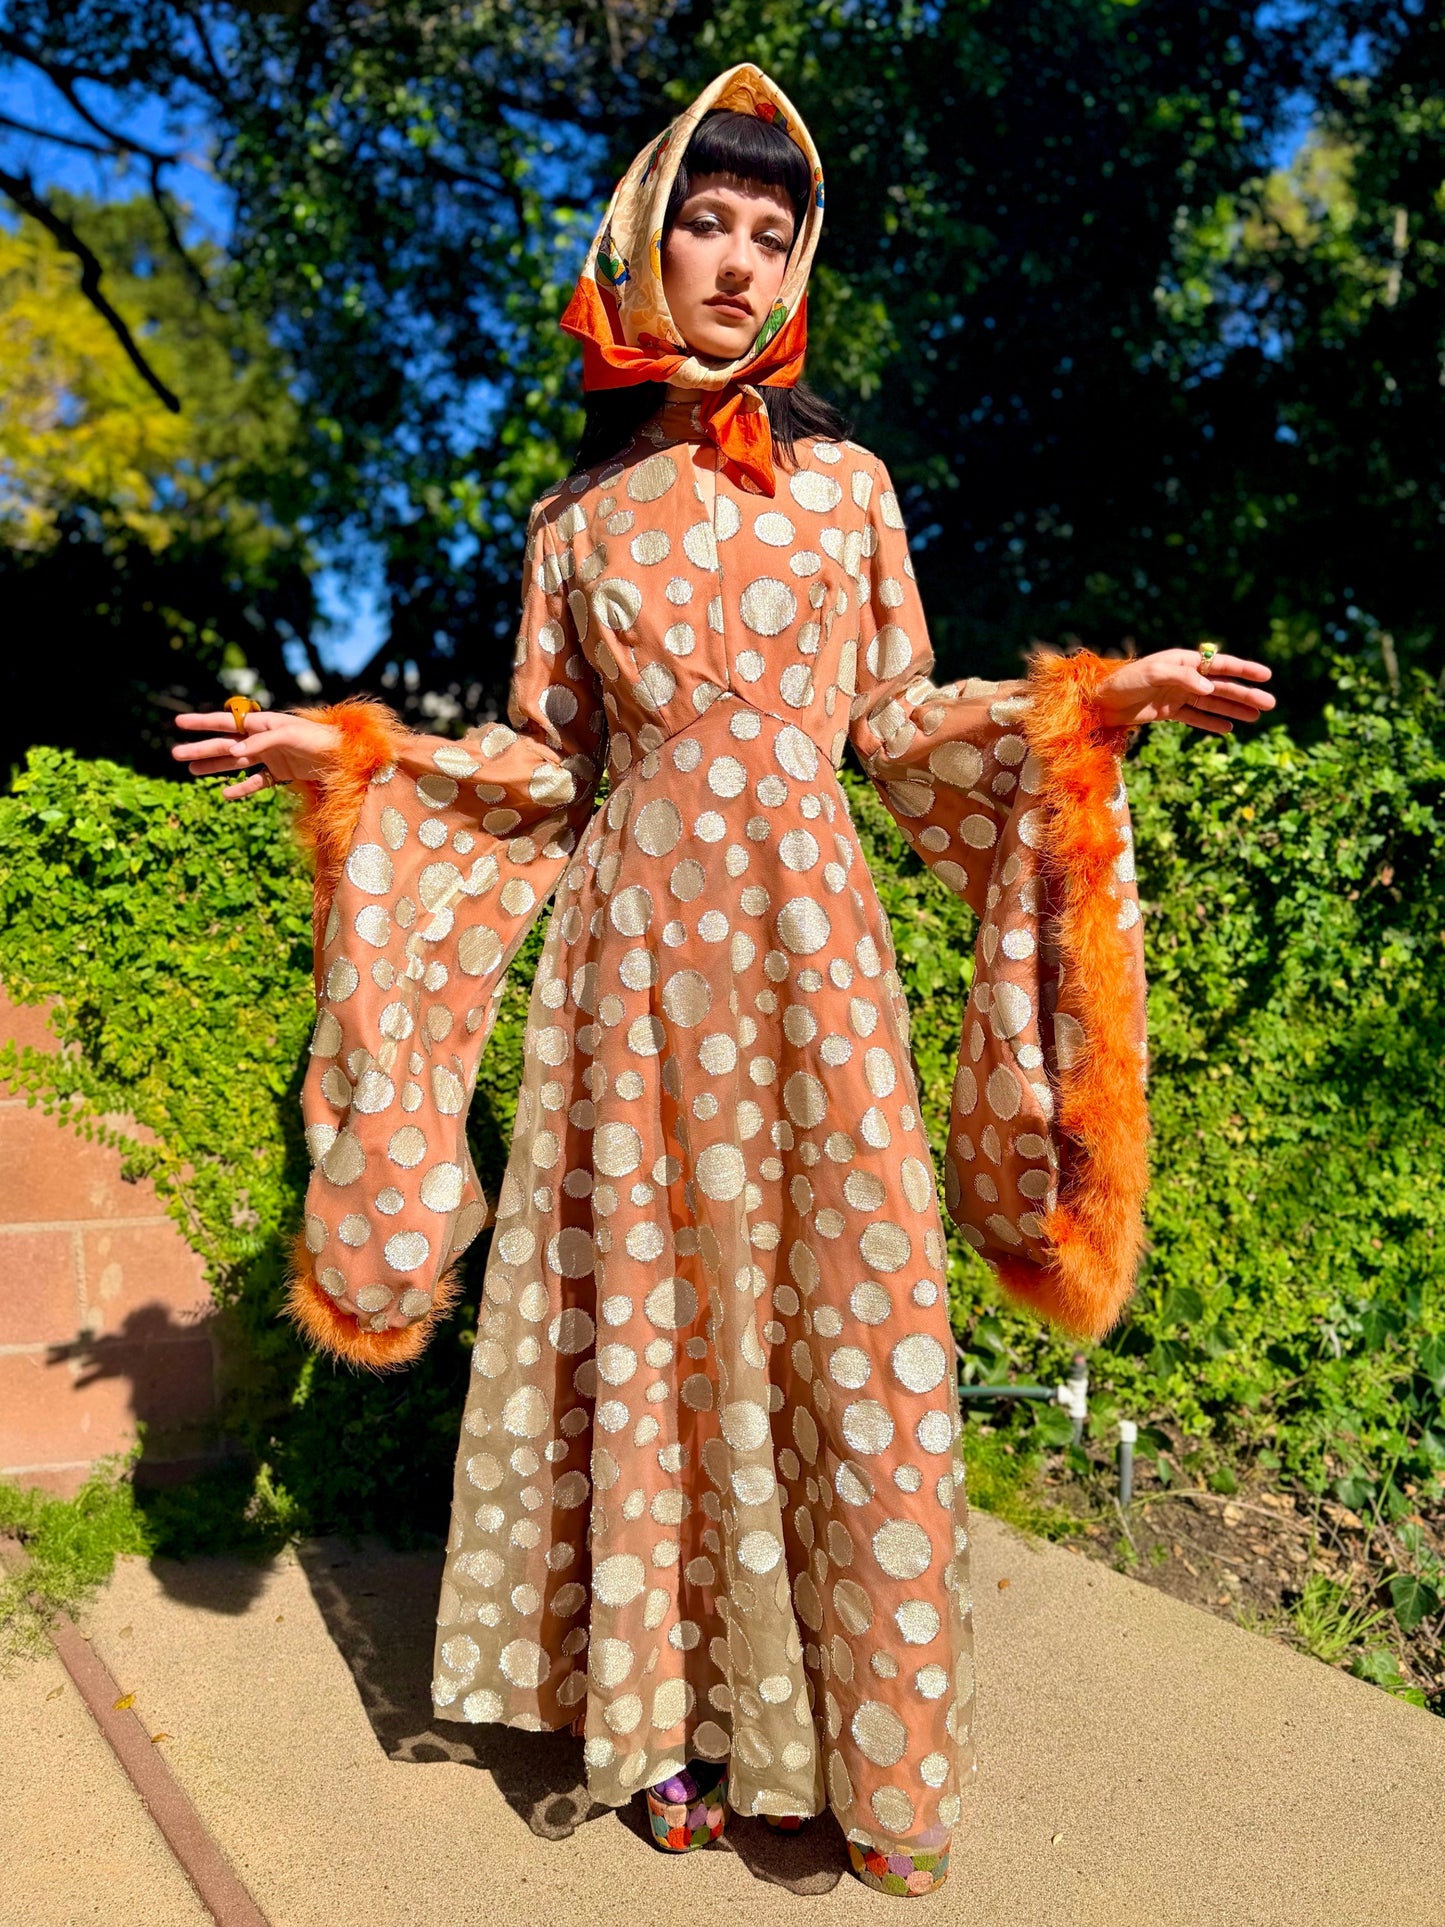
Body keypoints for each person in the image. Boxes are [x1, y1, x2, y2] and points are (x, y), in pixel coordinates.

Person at [172, 62, 1274, 1898]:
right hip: (625, 966)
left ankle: (853, 1737)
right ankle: (669, 1725)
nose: (743, 265)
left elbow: (901, 725)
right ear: (646, 242)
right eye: (711, 223)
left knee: (833, 1318)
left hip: (806, 952)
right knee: (660, 1325)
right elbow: (539, 765)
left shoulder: (849, 490)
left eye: (776, 234)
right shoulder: (571, 529)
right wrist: (350, 758)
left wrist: (1089, 702)